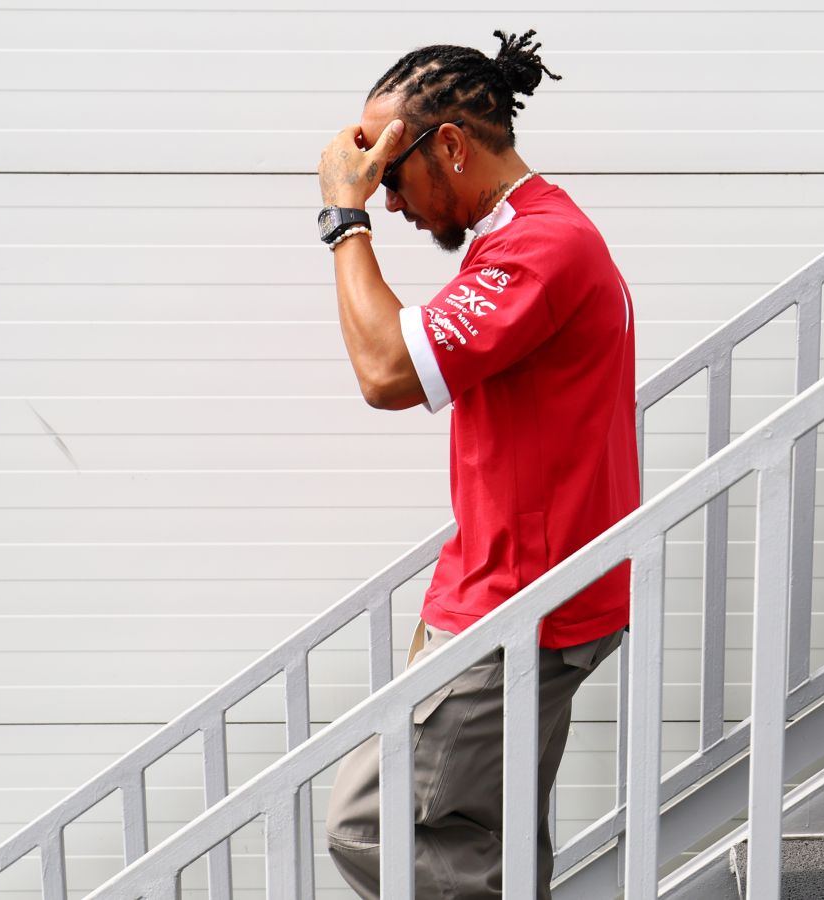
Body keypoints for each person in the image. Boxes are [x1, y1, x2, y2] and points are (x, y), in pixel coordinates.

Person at [315, 28, 639, 899]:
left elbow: (387, 371)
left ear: (452, 146)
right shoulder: (521, 237)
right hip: (512, 591)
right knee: (485, 844)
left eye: (391, 175)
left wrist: (342, 218)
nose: (388, 203)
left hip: (519, 605)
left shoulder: (541, 247)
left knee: (370, 828)